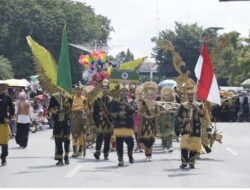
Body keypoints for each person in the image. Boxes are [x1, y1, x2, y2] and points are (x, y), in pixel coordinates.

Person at [177, 87, 204, 169]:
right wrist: (185, 120)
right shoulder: (183, 105)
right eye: (188, 95)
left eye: (192, 95)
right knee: (184, 146)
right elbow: (178, 116)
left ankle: (192, 162)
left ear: (195, 96)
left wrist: (196, 108)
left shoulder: (200, 105)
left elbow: (202, 115)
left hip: (196, 127)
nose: (190, 97)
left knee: (194, 147)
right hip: (185, 128)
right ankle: (184, 162)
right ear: (186, 96)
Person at [110, 84, 136, 167]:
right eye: (122, 91)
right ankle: (120, 159)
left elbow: (133, 110)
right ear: (119, 92)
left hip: (128, 124)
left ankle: (130, 155)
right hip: (118, 125)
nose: (123, 92)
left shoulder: (132, 101)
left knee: (130, 143)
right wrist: (118, 114)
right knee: (119, 144)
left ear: (128, 92)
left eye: (125, 91)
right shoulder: (114, 101)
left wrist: (127, 105)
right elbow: (111, 113)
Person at [138, 81, 160, 161]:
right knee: (145, 140)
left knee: (150, 140)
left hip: (152, 124)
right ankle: (146, 154)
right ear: (145, 95)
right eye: (148, 94)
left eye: (151, 94)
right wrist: (144, 115)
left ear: (154, 95)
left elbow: (158, 113)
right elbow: (139, 112)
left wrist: (153, 116)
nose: (150, 96)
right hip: (144, 124)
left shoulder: (156, 104)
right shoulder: (143, 103)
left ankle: (149, 155)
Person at [48, 91, 71, 166]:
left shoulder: (69, 96)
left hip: (66, 122)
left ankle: (66, 157)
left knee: (67, 141)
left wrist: (64, 100)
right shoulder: (54, 96)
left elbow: (71, 109)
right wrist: (57, 109)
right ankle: (60, 159)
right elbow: (50, 109)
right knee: (58, 141)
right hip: (57, 122)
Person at [93, 80, 113, 160]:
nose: (104, 90)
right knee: (99, 137)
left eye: (106, 88)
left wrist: (110, 117)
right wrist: (98, 116)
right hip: (100, 122)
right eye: (103, 88)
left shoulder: (112, 100)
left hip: (109, 122)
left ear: (108, 90)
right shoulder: (98, 100)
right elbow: (95, 112)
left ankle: (106, 153)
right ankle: (97, 151)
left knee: (107, 138)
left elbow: (113, 111)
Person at [70, 84, 88, 157]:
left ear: (82, 90)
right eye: (77, 90)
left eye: (80, 90)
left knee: (82, 135)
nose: (78, 91)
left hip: (82, 117)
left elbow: (86, 109)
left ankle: (80, 150)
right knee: (74, 135)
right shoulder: (71, 98)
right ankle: (74, 151)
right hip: (74, 117)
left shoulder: (84, 99)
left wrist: (85, 115)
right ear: (75, 90)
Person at [159, 87, 178, 152]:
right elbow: (157, 112)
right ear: (163, 96)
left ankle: (170, 146)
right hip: (162, 119)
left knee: (170, 133)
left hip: (171, 119)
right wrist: (163, 112)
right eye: (165, 95)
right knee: (163, 133)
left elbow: (176, 112)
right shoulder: (160, 103)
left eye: (168, 95)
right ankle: (164, 145)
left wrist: (170, 112)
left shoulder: (173, 103)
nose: (166, 97)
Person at [0, 82, 15, 166]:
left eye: (2, 87)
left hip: (4, 123)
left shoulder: (7, 97)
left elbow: (12, 109)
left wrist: (9, 118)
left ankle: (3, 158)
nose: (1, 88)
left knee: (4, 143)